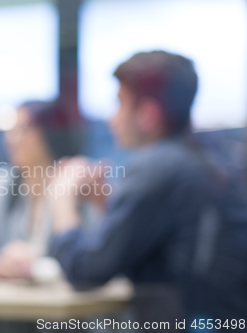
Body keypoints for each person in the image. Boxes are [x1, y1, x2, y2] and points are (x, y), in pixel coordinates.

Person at [50, 51, 247, 325]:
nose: (112, 119)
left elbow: (86, 272)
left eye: (120, 104)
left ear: (148, 114)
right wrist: (106, 205)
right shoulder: (209, 161)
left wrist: (61, 199)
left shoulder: (155, 167)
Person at [0, 101, 80, 279]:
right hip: (12, 302)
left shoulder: (76, 181)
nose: (11, 138)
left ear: (50, 134)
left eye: (23, 129)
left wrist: (33, 267)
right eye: (10, 130)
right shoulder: (2, 183)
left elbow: (86, 264)